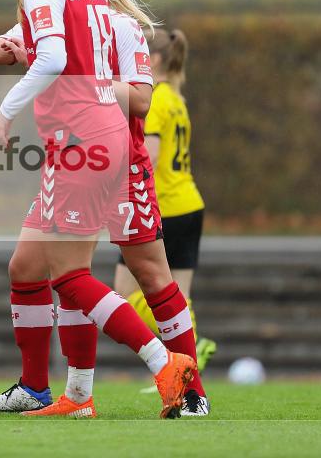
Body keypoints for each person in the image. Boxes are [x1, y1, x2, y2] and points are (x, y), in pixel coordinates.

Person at [0, 0, 196, 419]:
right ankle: (56, 392)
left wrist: (6, 111)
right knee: (26, 266)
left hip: (86, 144)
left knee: (73, 276)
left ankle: (164, 366)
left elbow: (53, 60)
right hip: (81, 143)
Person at [118, 26, 215, 384]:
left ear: (154, 59)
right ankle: (185, 369)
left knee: (125, 296)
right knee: (179, 295)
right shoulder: (177, 99)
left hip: (165, 206)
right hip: (191, 202)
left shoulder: (157, 99)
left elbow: (152, 156)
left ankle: (184, 354)